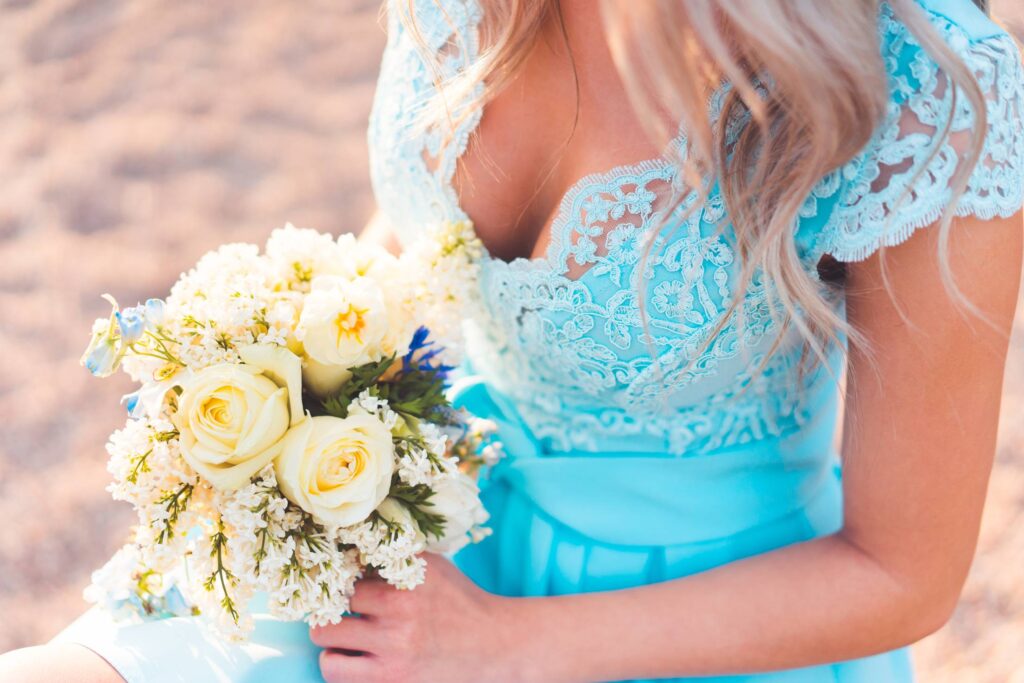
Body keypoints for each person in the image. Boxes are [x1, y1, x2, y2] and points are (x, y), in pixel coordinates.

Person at [2, 0, 1022, 681]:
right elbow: (420, 226)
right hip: (424, 533)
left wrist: (494, 646)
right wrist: (289, 386)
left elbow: (904, 571)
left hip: (709, 626)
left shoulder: (926, 85)